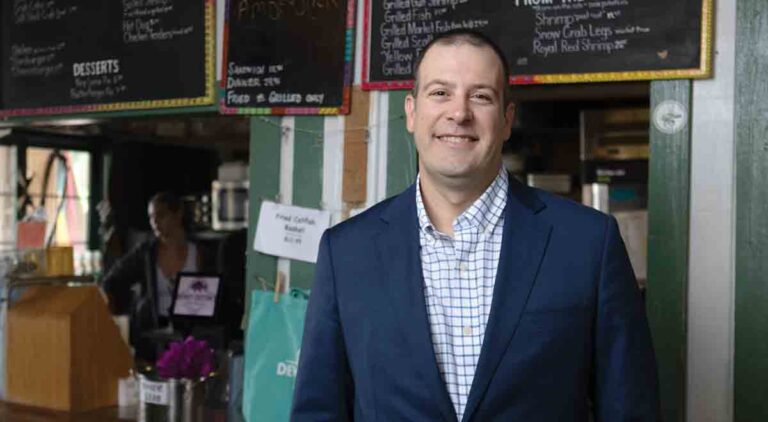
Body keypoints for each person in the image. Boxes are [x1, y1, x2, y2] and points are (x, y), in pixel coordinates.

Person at [291, 29, 659, 421]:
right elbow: (319, 411)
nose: (459, 113)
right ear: (412, 113)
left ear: (506, 119)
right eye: (440, 93)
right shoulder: (347, 251)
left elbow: (629, 409)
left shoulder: (588, 243)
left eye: (481, 96)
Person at [101, 192, 212, 361]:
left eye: (161, 215)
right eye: (151, 218)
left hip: (191, 335)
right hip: (153, 336)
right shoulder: (146, 253)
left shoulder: (200, 253)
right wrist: (128, 310)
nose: (155, 223)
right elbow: (112, 280)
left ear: (178, 213)